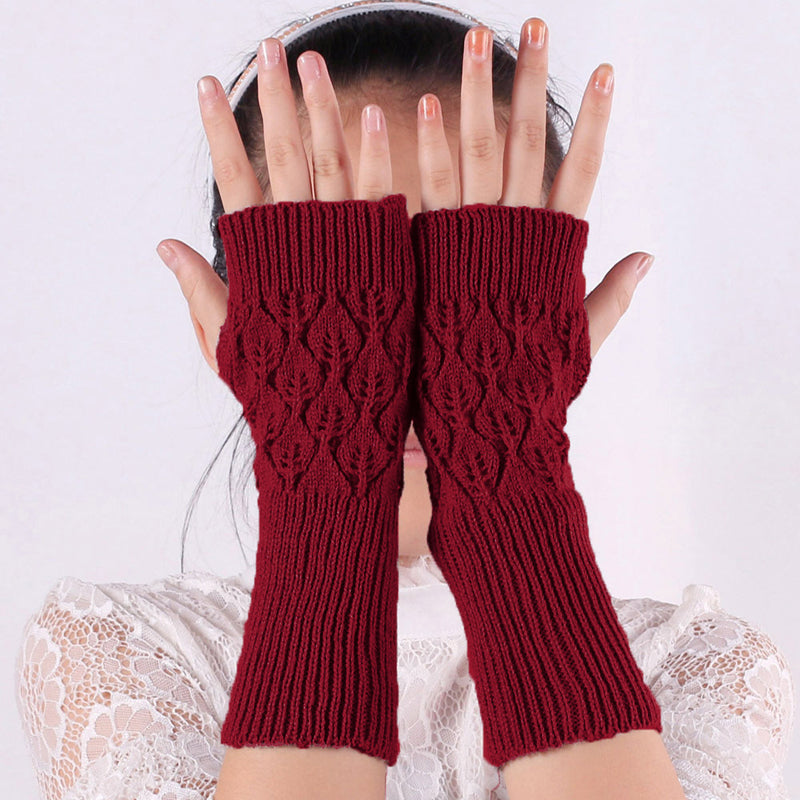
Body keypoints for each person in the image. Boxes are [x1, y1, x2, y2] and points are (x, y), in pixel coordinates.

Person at [14, 2, 795, 799]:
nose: (397, 356)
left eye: (467, 291)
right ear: (225, 328)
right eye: (338, 294)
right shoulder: (123, 655)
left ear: (552, 318)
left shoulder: (701, 667)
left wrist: (505, 469)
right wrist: (325, 479)